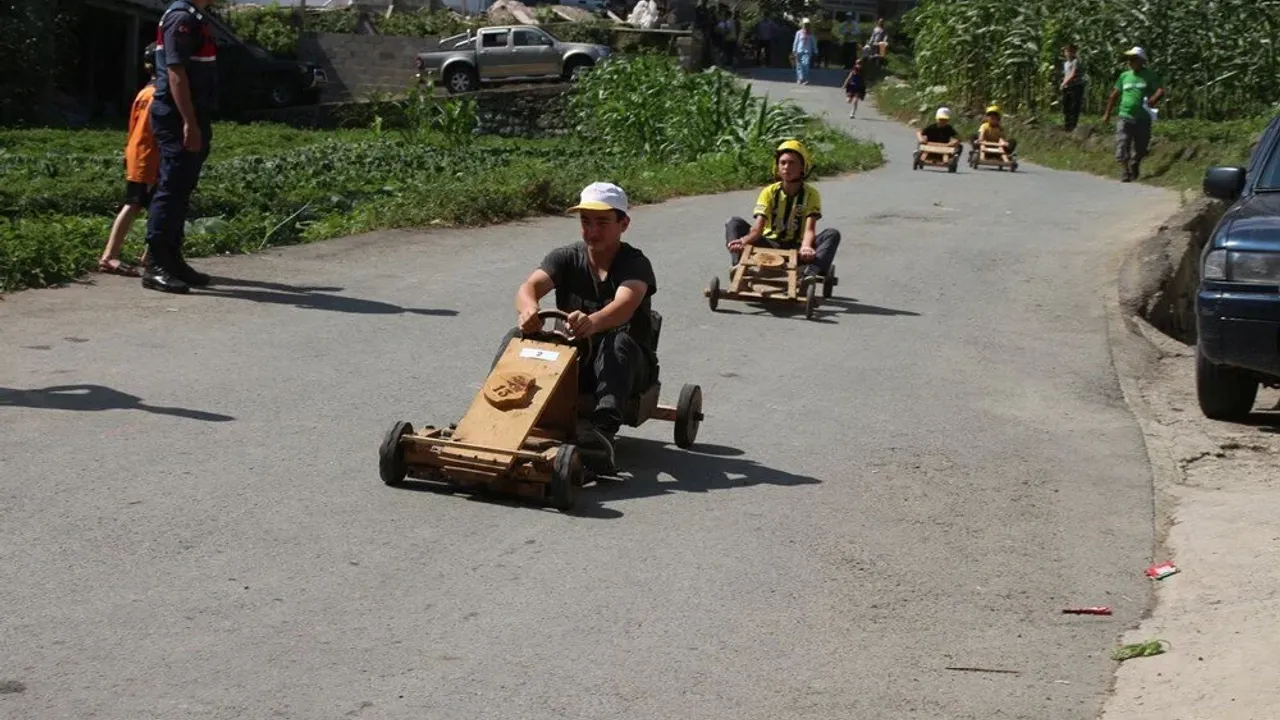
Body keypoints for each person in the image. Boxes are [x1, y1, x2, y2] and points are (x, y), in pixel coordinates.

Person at [500, 182, 657, 467]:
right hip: (573, 362)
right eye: (585, 222)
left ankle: (603, 431)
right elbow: (529, 286)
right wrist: (529, 309)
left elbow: (624, 306)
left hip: (627, 368)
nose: (592, 231)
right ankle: (498, 412)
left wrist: (593, 322)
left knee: (616, 341)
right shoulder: (566, 257)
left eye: (602, 222)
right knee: (517, 336)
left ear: (624, 224)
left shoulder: (635, 264)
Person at [143, 0, 219, 294]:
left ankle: (173, 260)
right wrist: (189, 122)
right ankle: (156, 265)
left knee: (182, 189)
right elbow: (176, 73)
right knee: (171, 188)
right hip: (177, 115)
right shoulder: (180, 18)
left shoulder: (196, 17)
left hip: (193, 113)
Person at [724, 140, 841, 286]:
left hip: (798, 249)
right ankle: (738, 266)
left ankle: (809, 274)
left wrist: (806, 247)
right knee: (733, 222)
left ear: (802, 168)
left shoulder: (811, 194)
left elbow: (810, 229)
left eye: (792, 163)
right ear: (777, 167)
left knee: (832, 234)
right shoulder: (768, 192)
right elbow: (758, 229)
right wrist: (743, 241)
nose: (786, 167)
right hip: (768, 245)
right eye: (783, 163)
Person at [98, 43, 159, 277]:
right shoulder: (158, 94)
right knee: (139, 204)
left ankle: (149, 255)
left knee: (146, 204)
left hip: (138, 153)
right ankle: (109, 256)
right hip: (149, 156)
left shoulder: (143, 93)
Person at [1101, 46, 1166, 182]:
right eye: (1129, 60)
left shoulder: (1149, 75)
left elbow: (1160, 90)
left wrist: (1154, 99)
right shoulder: (1124, 76)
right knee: (1122, 142)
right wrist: (1107, 114)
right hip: (1125, 115)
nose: (1130, 62)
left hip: (1143, 117)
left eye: (1134, 59)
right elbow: (1114, 95)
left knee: (1141, 146)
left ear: (1142, 60)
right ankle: (1125, 171)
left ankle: (1135, 162)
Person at [1060, 43, 1085, 131]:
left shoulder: (1076, 61)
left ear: (1074, 52)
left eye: (1070, 51)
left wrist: (1063, 83)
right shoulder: (1066, 63)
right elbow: (1066, 75)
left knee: (1074, 107)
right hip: (1068, 87)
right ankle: (1067, 125)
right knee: (1066, 106)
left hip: (1076, 86)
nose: (1068, 53)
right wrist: (1064, 83)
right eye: (1066, 51)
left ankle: (1073, 126)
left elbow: (1072, 74)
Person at [792, 18, 817, 85]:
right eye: (805, 24)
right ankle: (800, 78)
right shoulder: (799, 32)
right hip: (799, 51)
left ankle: (806, 79)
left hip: (807, 52)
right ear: (802, 24)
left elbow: (813, 42)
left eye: (807, 24)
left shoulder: (811, 34)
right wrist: (794, 50)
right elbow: (796, 42)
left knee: (805, 65)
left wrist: (815, 50)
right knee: (799, 65)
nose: (806, 25)